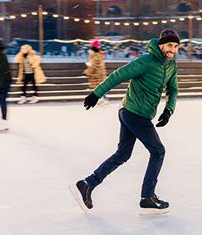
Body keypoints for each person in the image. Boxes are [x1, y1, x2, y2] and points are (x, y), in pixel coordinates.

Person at [69, 29, 179, 215]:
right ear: (161, 45)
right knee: (158, 151)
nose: (173, 49)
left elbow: (173, 89)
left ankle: (87, 184)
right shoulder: (146, 61)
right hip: (134, 114)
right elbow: (118, 75)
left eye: (176, 46)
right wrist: (96, 94)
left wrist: (169, 109)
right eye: (170, 45)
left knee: (123, 154)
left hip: (133, 113)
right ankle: (147, 197)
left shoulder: (171, 65)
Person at [84, 39, 109, 106]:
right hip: (99, 74)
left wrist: (87, 72)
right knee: (100, 88)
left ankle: (104, 100)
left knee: (98, 88)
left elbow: (94, 65)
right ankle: (102, 99)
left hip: (97, 75)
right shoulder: (98, 54)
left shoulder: (95, 55)